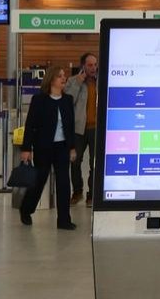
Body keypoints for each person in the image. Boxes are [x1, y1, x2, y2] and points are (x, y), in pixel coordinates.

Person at [20, 66, 77, 230]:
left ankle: (64, 220)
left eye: (64, 76)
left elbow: (70, 126)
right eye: (60, 76)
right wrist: (26, 148)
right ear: (51, 80)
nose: (64, 78)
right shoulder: (39, 100)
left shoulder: (67, 100)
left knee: (64, 183)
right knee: (39, 180)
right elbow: (30, 126)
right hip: (43, 147)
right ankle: (26, 209)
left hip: (62, 147)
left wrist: (72, 147)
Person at [65, 52, 98, 206]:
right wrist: (78, 83)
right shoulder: (73, 81)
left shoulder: (100, 81)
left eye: (95, 65)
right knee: (75, 161)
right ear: (83, 66)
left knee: (94, 163)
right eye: (90, 65)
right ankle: (77, 192)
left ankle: (91, 195)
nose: (93, 68)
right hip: (78, 129)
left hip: (96, 129)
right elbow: (68, 102)